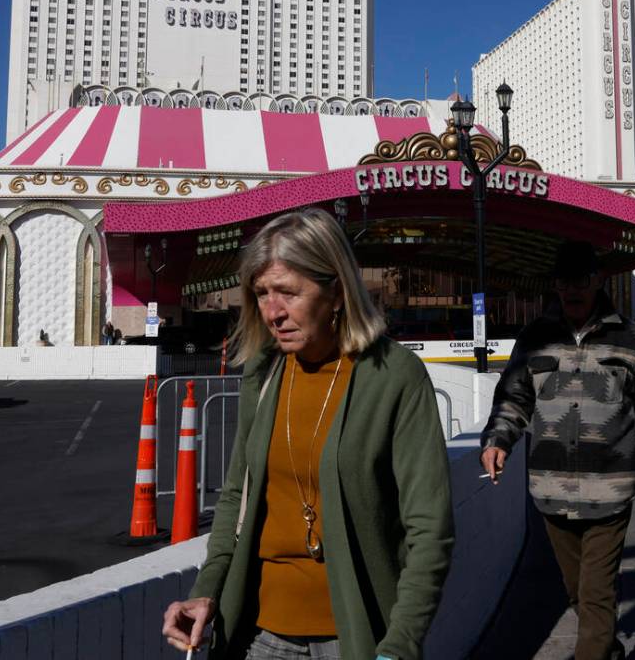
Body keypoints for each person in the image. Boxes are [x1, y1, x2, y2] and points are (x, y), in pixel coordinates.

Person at [163, 208, 454, 659]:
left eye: (288, 292)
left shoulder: (394, 376)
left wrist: (401, 641)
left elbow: (429, 527)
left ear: (336, 291)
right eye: (261, 293)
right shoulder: (263, 373)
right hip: (258, 636)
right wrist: (206, 590)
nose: (272, 312)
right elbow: (236, 496)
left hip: (355, 638)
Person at [479, 240, 635, 660]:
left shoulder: (633, 340)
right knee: (579, 594)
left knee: (595, 596)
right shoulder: (535, 338)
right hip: (551, 492)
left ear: (598, 281)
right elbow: (514, 399)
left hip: (610, 493)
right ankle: (607, 649)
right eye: (563, 282)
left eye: (581, 280)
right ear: (554, 285)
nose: (572, 290)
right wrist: (499, 439)